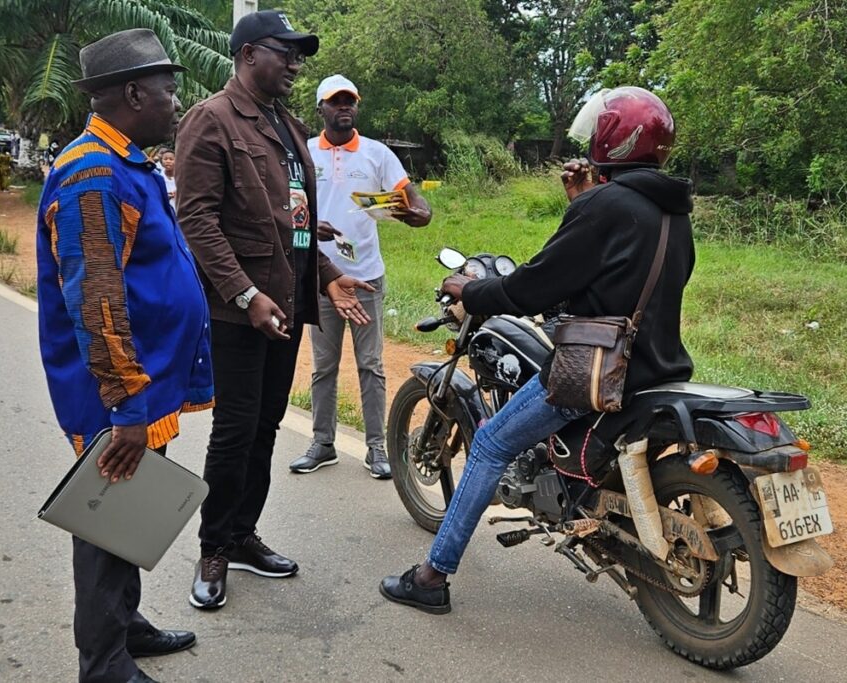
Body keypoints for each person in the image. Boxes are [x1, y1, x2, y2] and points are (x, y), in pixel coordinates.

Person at [379, 86, 696, 614]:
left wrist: (469, 290)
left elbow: (531, 287)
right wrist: (581, 206)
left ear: (613, 138)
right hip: (655, 369)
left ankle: (431, 578)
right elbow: (617, 276)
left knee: (489, 443)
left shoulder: (606, 204)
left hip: (597, 373)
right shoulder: (672, 215)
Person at [176, 9, 375, 611]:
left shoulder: (287, 127)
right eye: (283, 52)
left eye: (297, 54)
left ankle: (242, 535)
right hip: (241, 312)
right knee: (234, 433)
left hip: (285, 307)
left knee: (264, 429)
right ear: (246, 55)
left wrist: (330, 275)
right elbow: (197, 220)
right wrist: (244, 293)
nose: (293, 63)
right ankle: (213, 547)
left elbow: (295, 225)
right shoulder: (210, 120)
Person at [36, 29, 211, 683]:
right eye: (168, 91)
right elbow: (98, 303)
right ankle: (103, 663)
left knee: (127, 508)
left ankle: (125, 625)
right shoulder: (92, 174)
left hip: (142, 384)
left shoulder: (126, 162)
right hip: (117, 392)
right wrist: (127, 407)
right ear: (134, 93)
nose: (175, 103)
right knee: (106, 520)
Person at [289, 75, 433, 479]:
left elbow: (414, 201)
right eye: (335, 102)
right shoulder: (304, 153)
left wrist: (418, 214)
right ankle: (322, 442)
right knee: (323, 366)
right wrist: (306, 224)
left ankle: (377, 449)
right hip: (321, 278)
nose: (344, 108)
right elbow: (289, 206)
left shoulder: (377, 154)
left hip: (366, 276)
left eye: (349, 101)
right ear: (320, 108)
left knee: (371, 365)